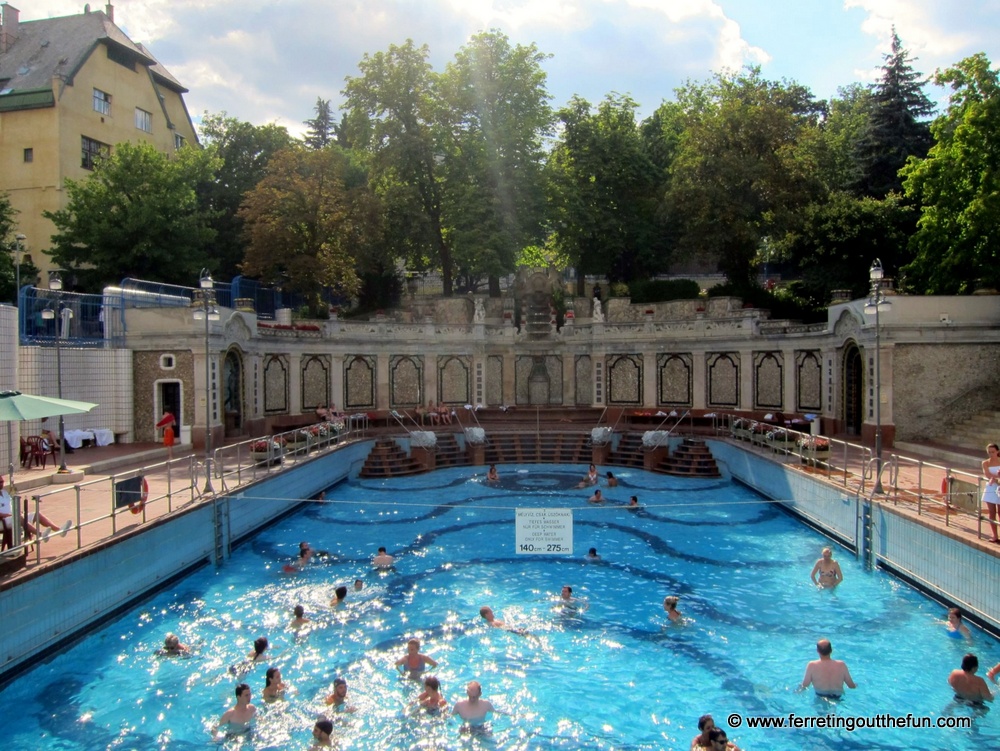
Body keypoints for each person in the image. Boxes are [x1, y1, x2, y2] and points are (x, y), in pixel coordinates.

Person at [982, 443, 1000, 543]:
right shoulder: (985, 463)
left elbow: (995, 478)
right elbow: (988, 475)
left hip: (999, 487)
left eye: (993, 452)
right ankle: (995, 535)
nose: (991, 454)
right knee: (991, 512)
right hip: (990, 488)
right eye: (989, 452)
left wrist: (996, 479)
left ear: (997, 451)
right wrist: (995, 479)